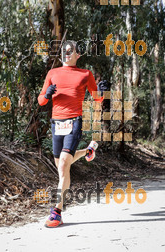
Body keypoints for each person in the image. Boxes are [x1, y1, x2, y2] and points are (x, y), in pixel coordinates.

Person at [38, 41, 103, 228]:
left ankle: (56, 212)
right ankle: (88, 151)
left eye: (70, 51)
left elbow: (97, 97)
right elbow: (41, 101)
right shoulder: (53, 73)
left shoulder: (85, 74)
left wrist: (102, 89)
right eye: (64, 51)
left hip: (74, 121)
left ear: (78, 55)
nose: (66, 53)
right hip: (56, 124)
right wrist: (47, 95)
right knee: (61, 168)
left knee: (64, 164)